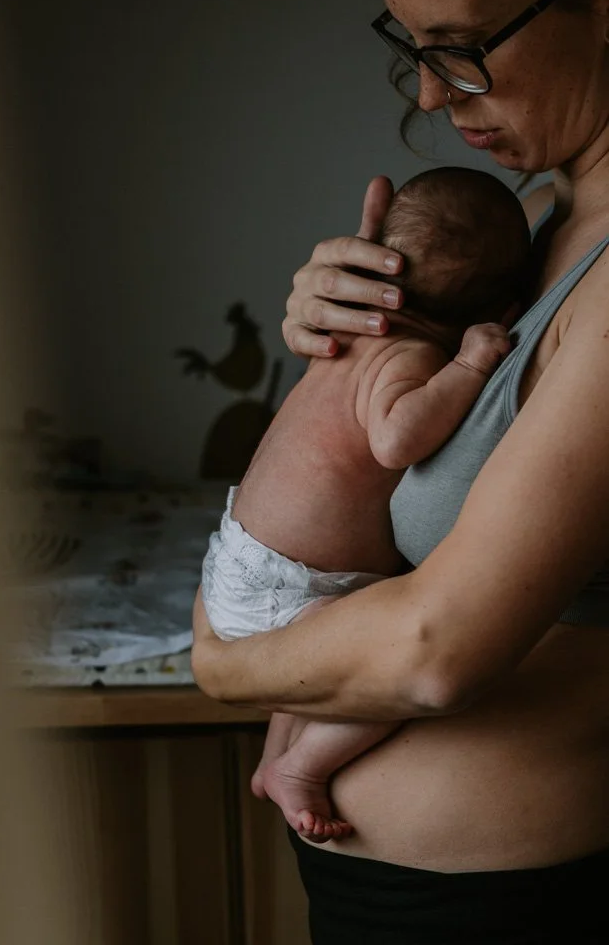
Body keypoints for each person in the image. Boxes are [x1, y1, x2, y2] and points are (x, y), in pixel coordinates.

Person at [193, 0, 609, 941]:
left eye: (462, 48)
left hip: (505, 906)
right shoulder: (547, 221)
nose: (429, 94)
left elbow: (436, 652)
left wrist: (216, 660)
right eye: (412, 50)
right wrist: (351, 354)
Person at [202, 166, 531, 844]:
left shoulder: (351, 336)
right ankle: (304, 767)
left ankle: (273, 761)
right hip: (290, 585)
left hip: (248, 559)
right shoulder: (404, 356)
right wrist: (469, 365)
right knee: (371, 670)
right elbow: (395, 437)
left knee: (316, 668)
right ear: (498, 314)